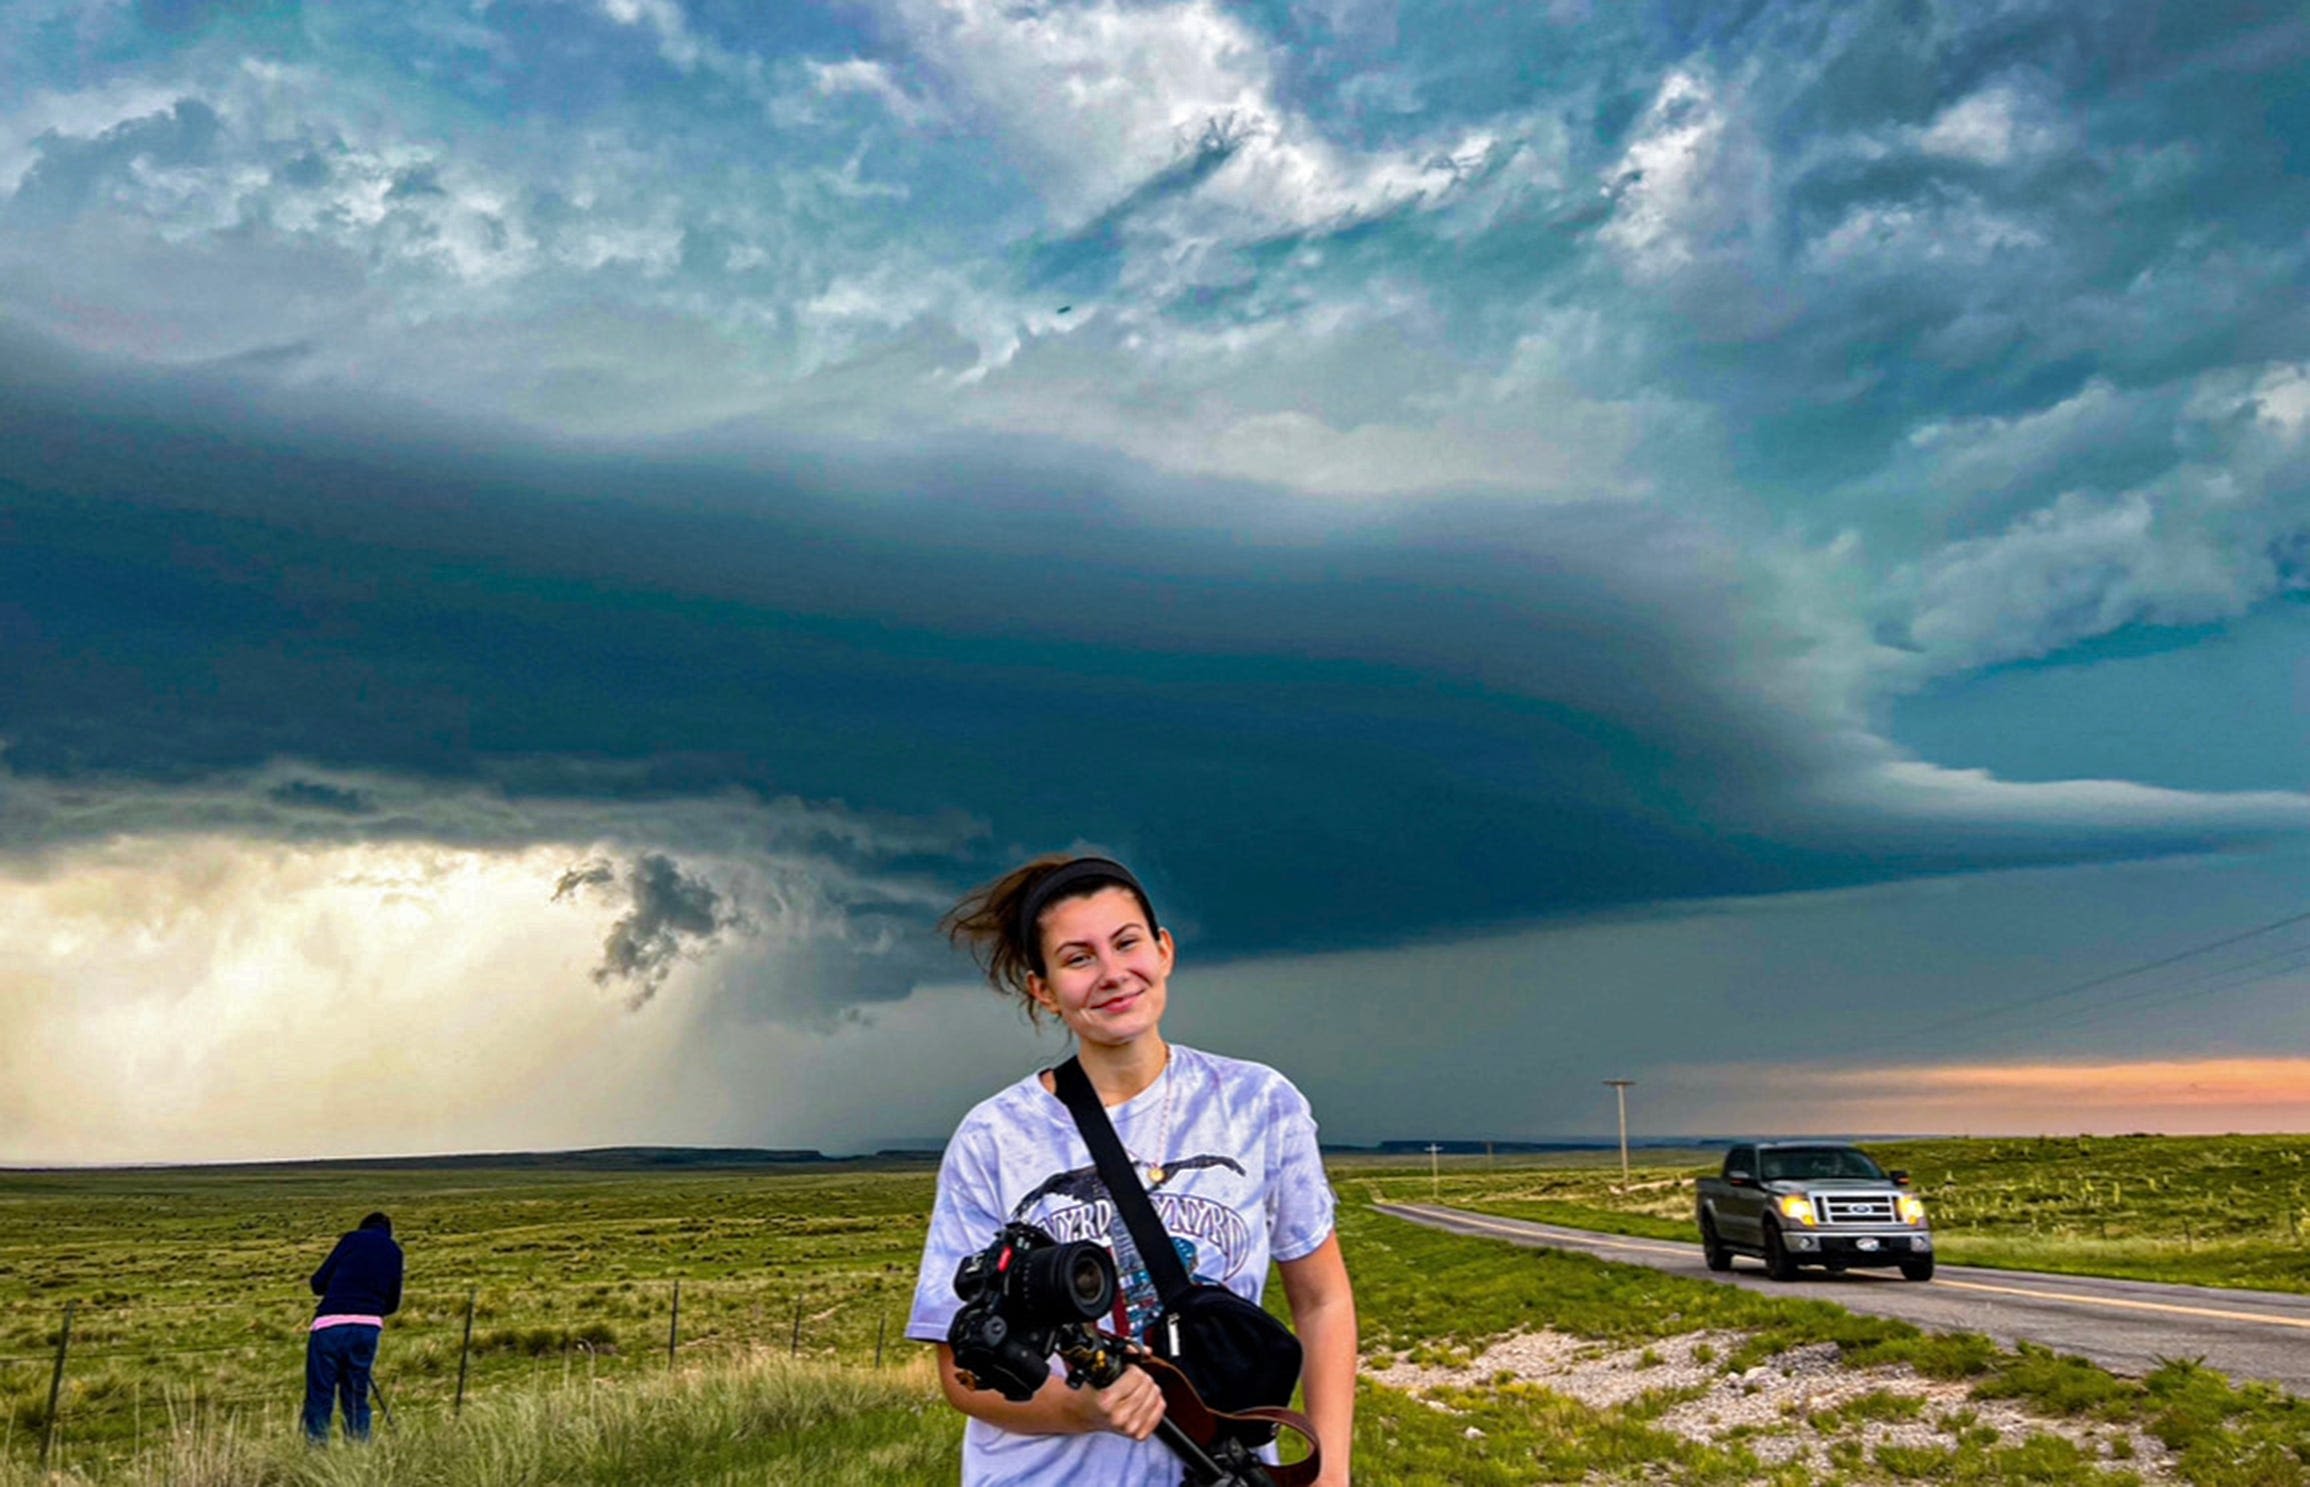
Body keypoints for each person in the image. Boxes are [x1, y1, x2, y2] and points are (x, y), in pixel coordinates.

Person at [906, 855, 1356, 1485]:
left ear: (1164, 950)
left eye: (1126, 944)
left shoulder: (1258, 1102)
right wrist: (1080, 1408)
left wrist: (1330, 1471)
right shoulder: (995, 1137)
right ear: (1043, 989)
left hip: (1222, 1470)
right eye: (1078, 958)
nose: (1113, 974)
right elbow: (963, 1372)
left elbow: (1323, 1299)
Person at [303, 1210, 403, 1443]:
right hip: (368, 1327)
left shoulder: (352, 1239)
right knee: (357, 1394)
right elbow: (393, 1301)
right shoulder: (394, 1251)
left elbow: (318, 1283)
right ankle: (359, 1452)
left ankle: (316, 1452)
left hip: (331, 1324)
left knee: (320, 1394)